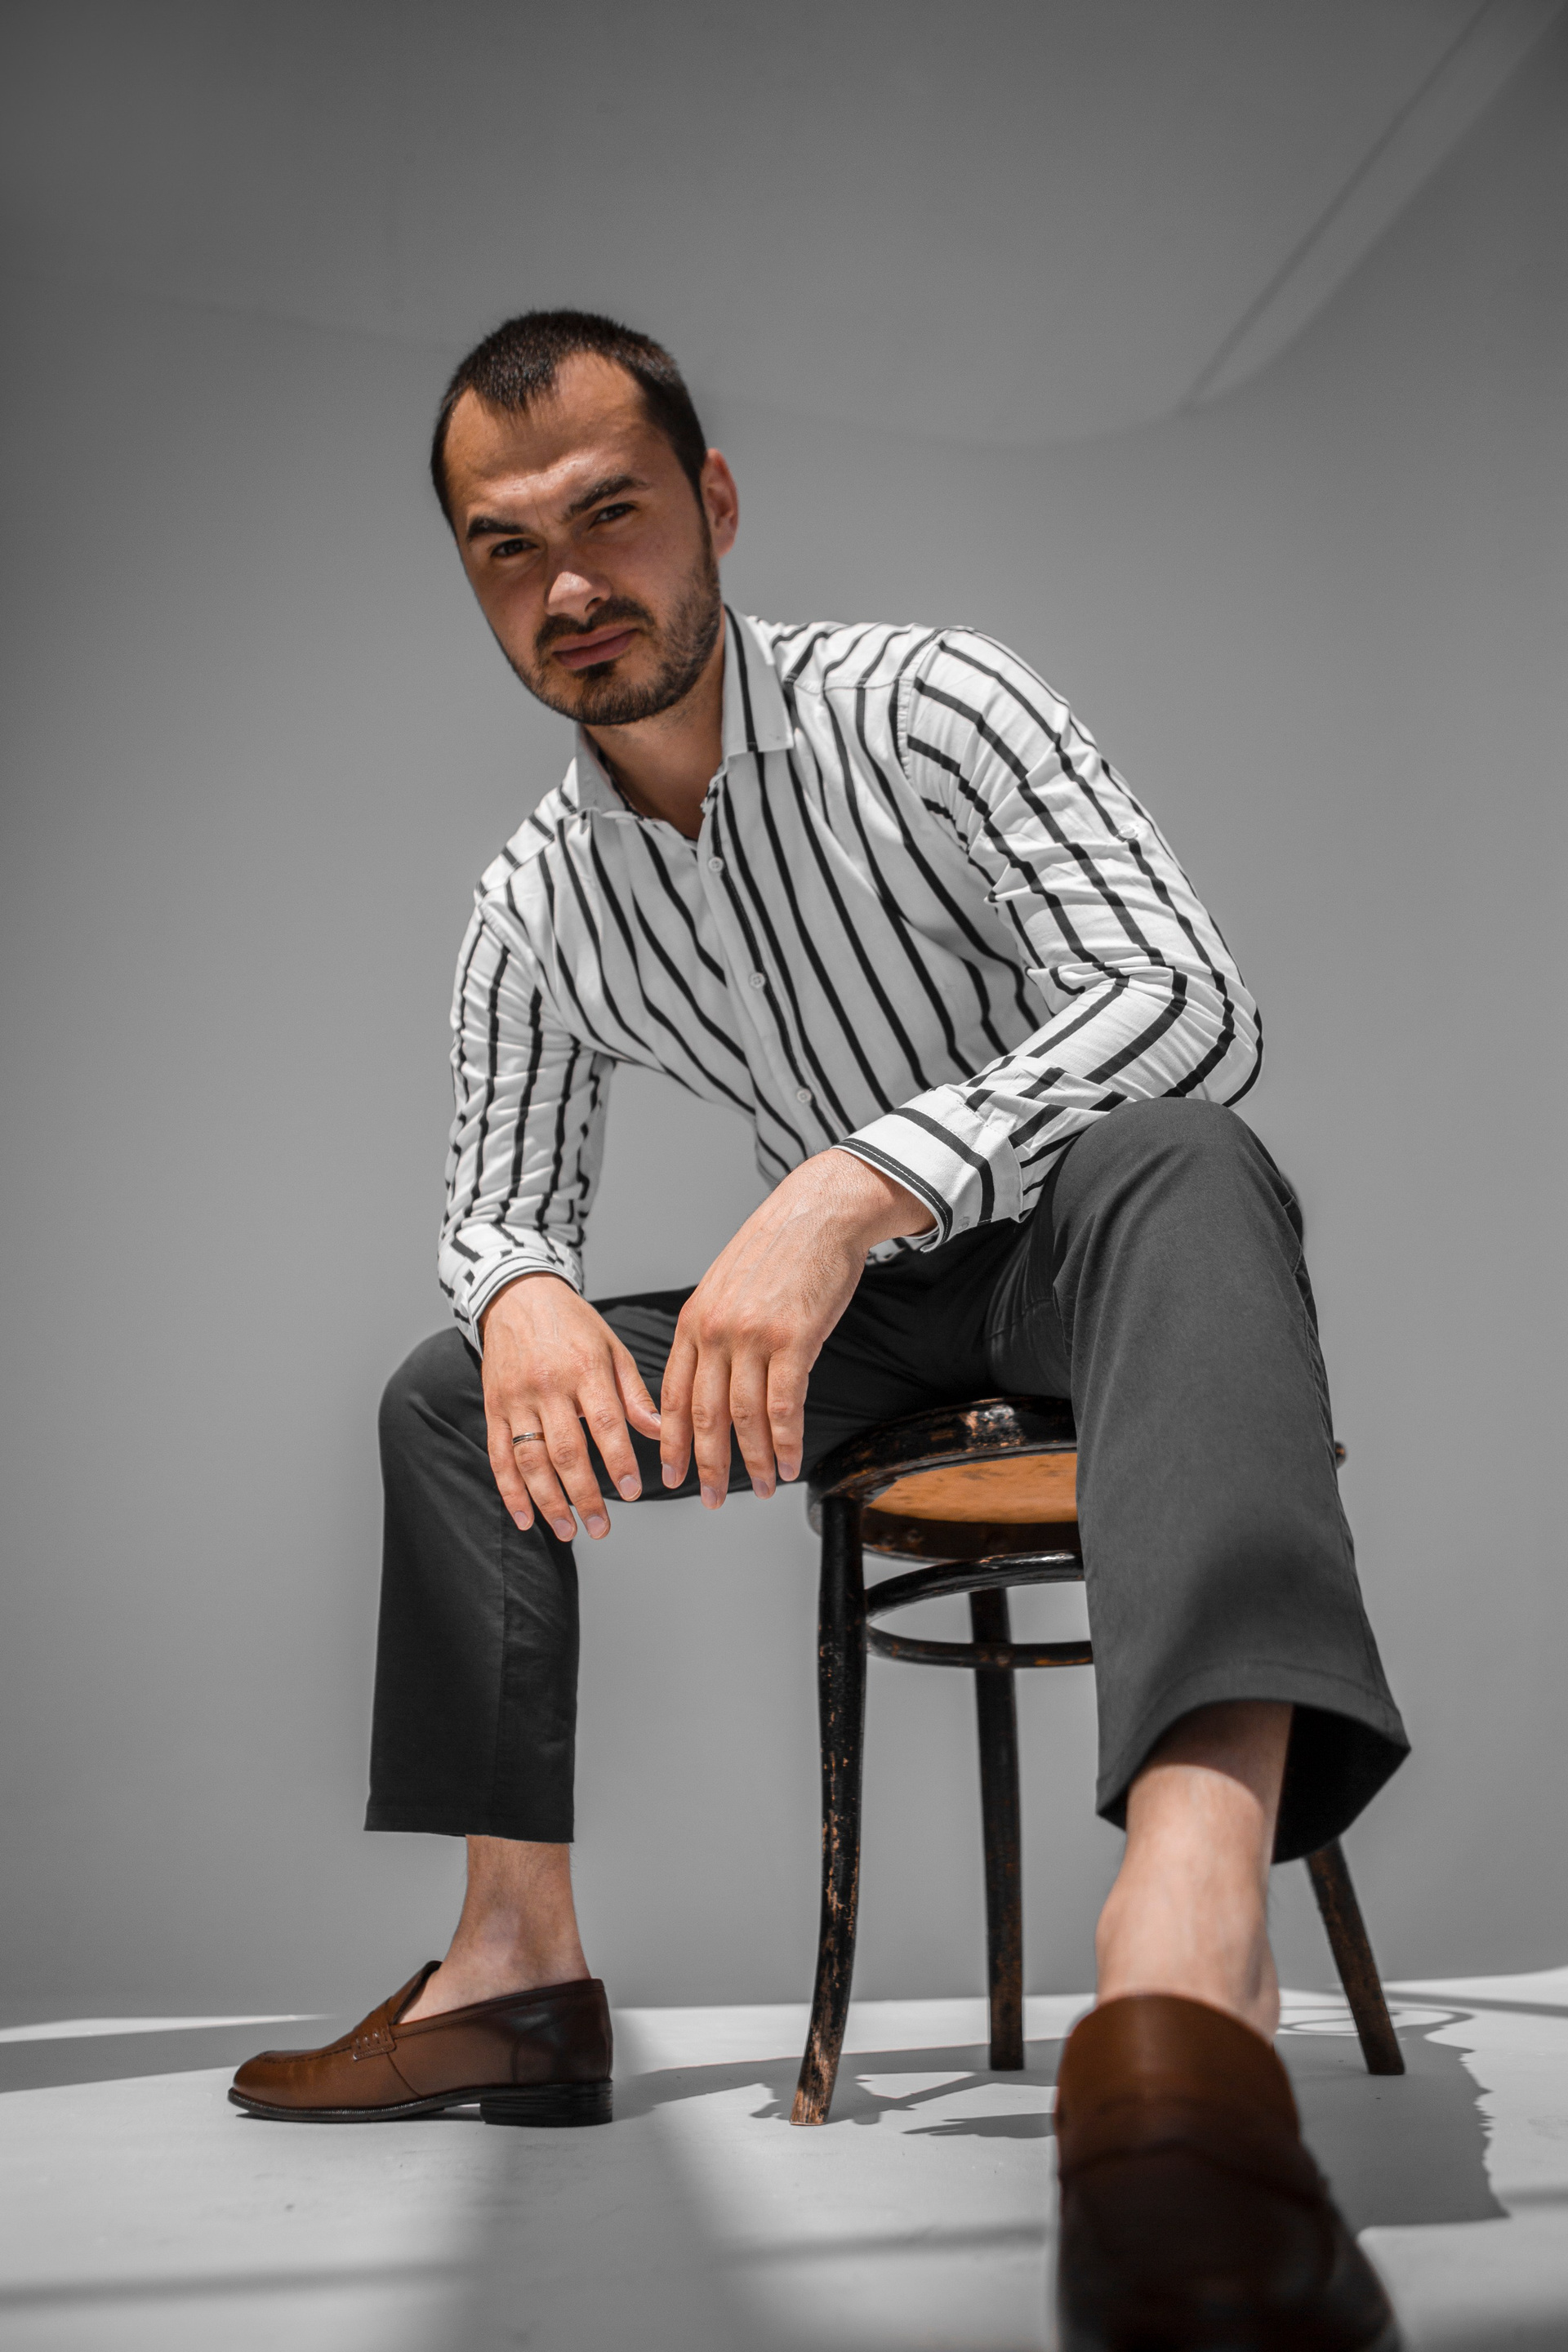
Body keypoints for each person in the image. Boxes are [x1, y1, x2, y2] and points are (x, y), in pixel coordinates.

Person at [231, 310, 1407, 2350]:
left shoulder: (931, 708)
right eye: (509, 548)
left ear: (714, 503)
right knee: (450, 1392)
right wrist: (518, 1292)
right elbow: (498, 1202)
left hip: (1084, 1255)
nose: (571, 586)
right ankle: (514, 1969)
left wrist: (855, 1181)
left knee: (1186, 1157)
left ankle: (1184, 1956)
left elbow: (1185, 996)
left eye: (612, 514)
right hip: (859, 1333)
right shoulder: (537, 900)